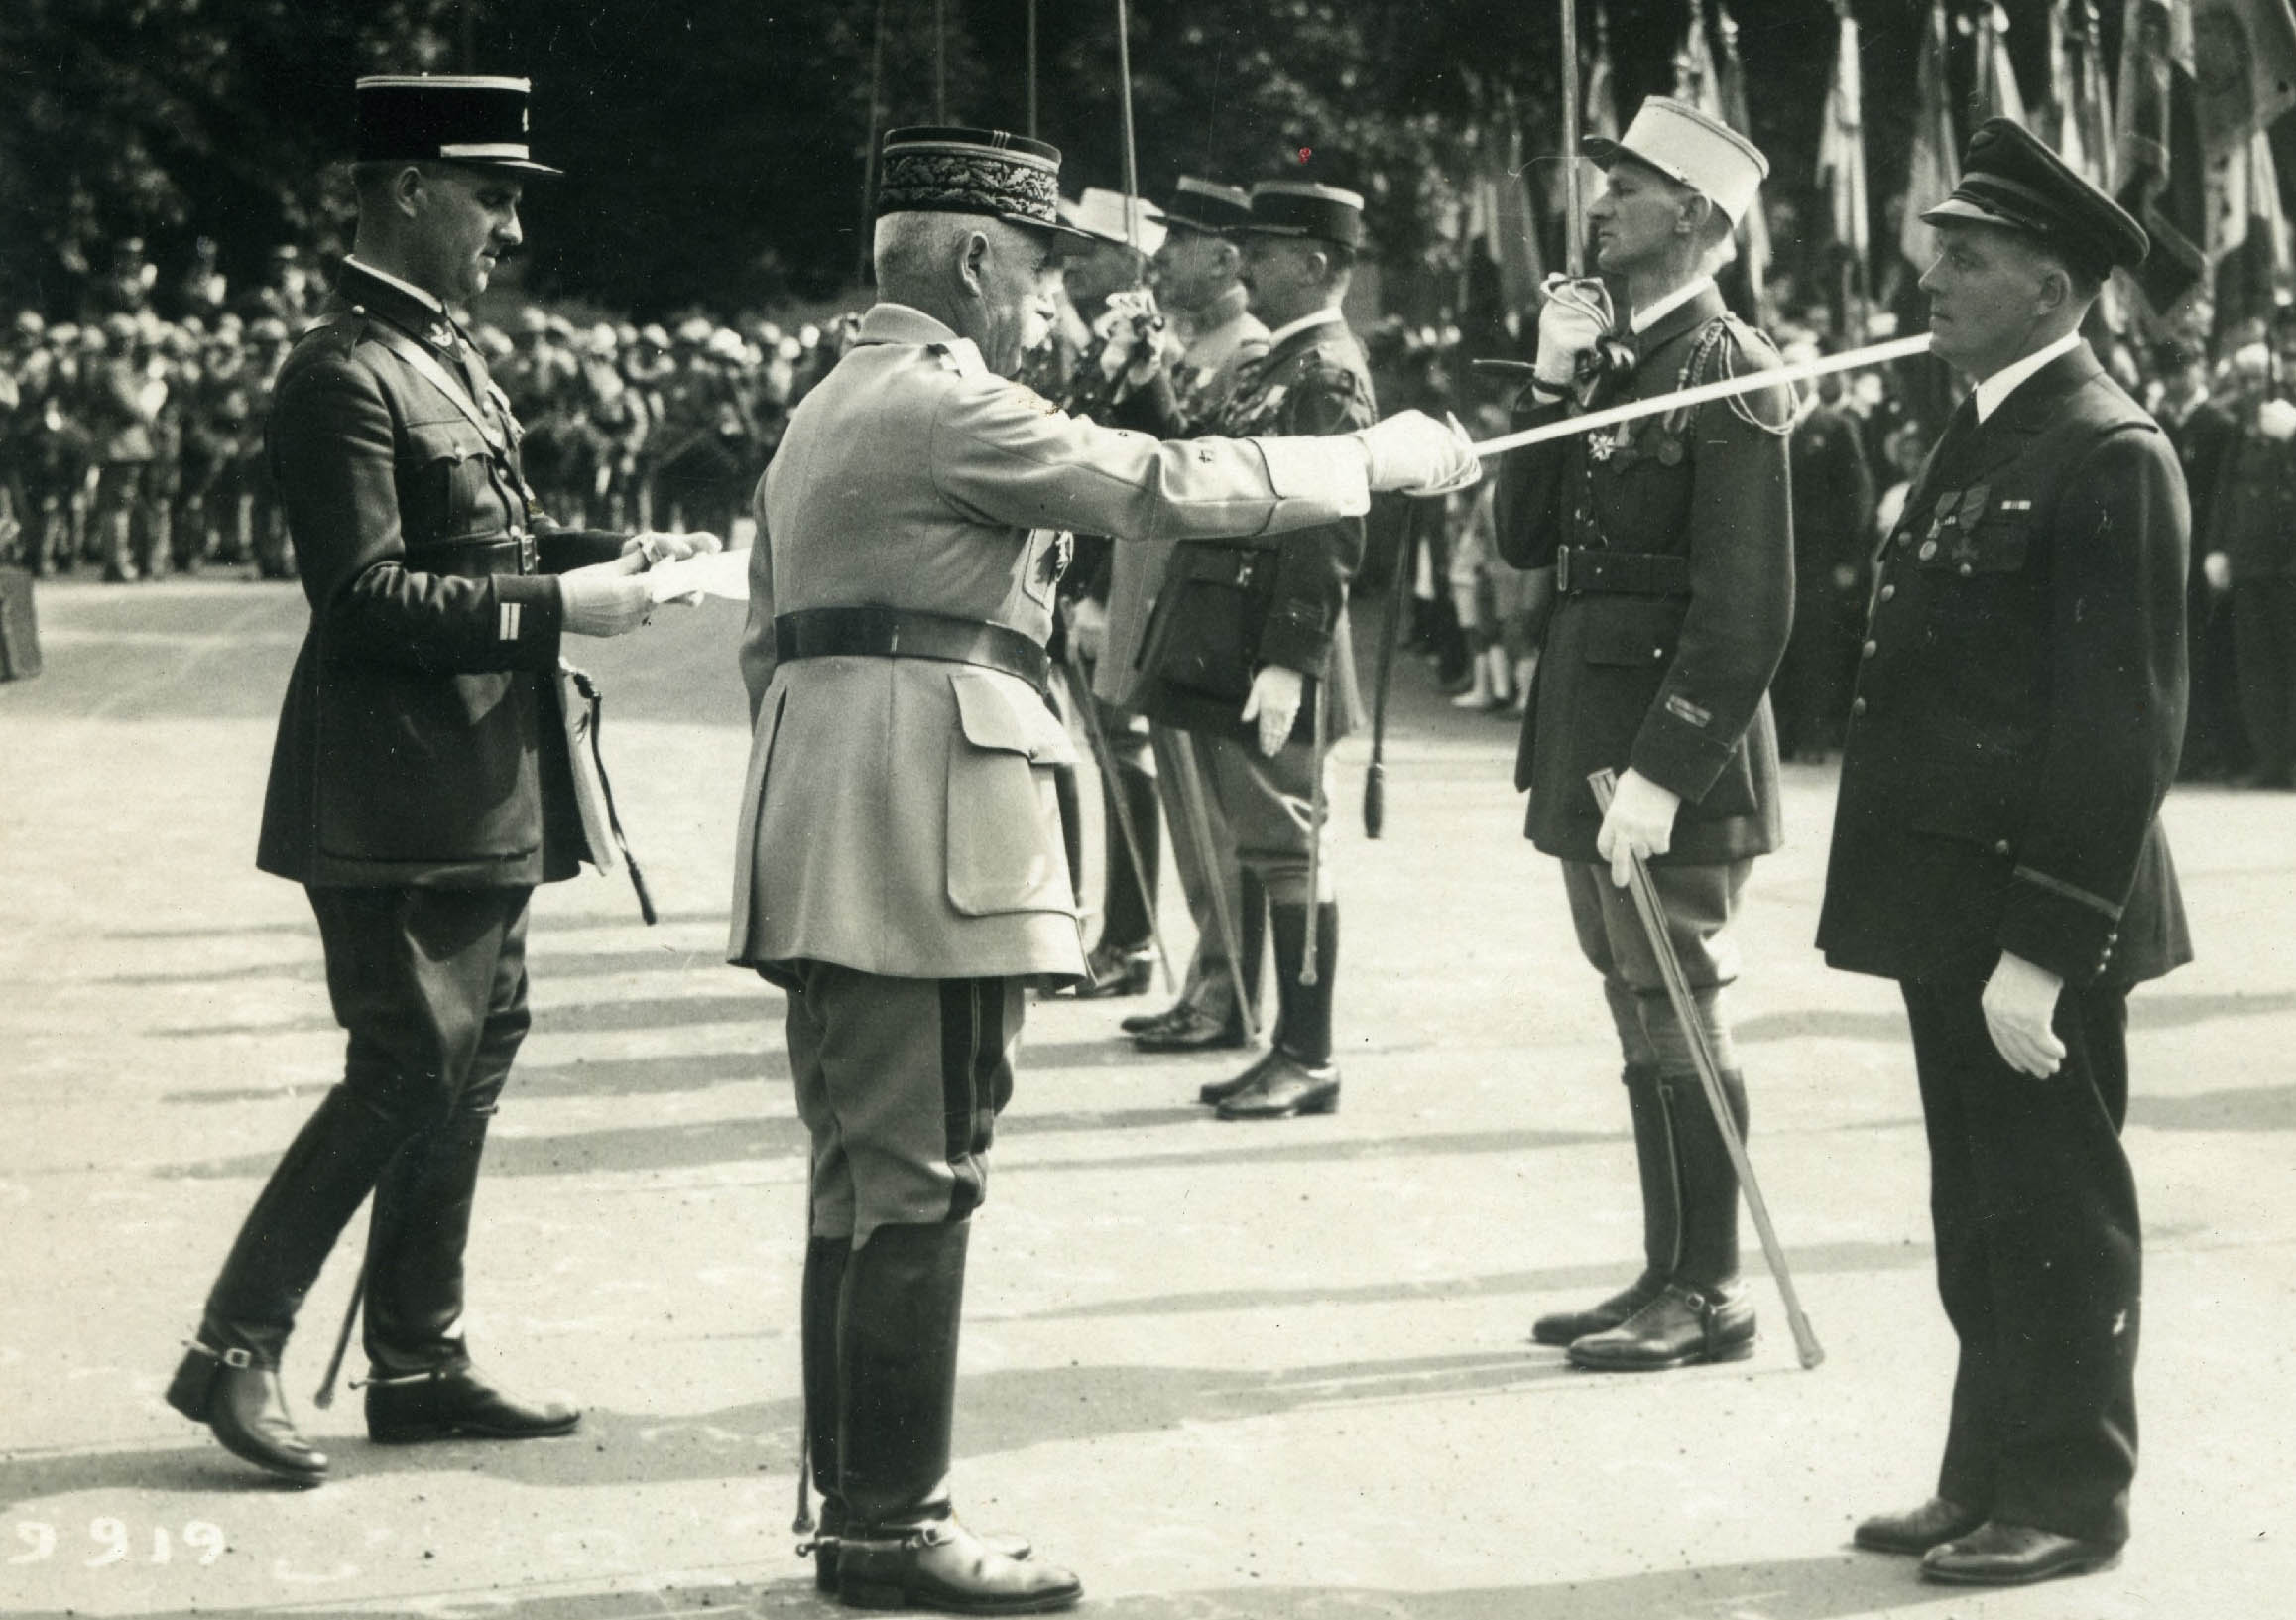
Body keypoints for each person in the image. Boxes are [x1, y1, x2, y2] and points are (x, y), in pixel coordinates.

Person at [729, 124, 1474, 1614]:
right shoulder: (941, 398)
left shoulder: (835, 398)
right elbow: (1149, 481)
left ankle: (854, 1501)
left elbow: (761, 639)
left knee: (864, 1176)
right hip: (915, 832)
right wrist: (1364, 466)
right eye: (1039, 274)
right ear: (972, 260)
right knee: (920, 1173)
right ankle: (891, 1523)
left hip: (838, 820)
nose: (1047, 308)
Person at [163, 73, 718, 1488]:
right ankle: (234, 1348)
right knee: (408, 1060)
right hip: (395, 787)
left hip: (482, 778)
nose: (508, 228)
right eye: (491, 194)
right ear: (407, 188)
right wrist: (556, 611)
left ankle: (416, 1357)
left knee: (474, 1057)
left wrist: (615, 555)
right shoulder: (339, 369)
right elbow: (358, 597)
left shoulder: (438, 355)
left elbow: (485, 541)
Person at [1818, 120, 2189, 1586]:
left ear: (2050, 286)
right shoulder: (1979, 425)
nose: (1931, 282)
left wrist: (2040, 945)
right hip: (1945, 898)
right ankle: (1983, 1470)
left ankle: (2067, 1494)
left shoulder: (2105, 449)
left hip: (2036, 912)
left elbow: (2118, 731)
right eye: (1935, 256)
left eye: (1962, 261)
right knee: (1975, 1207)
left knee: (2052, 1209)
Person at [1494, 96, 1793, 1370]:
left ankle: (1713, 1287)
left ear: (1696, 215)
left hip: (1668, 748)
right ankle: (1667, 1266)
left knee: (1681, 998)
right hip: (1586, 726)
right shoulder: (1621, 355)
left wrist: (1667, 771)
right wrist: (1553, 376)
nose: (1599, 201)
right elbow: (1518, 538)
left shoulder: (1731, 368)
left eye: (1625, 184)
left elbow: (1746, 607)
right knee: (1634, 1001)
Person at [1129, 180, 1383, 1119]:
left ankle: (1308, 1051)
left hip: (1278, 639)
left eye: (1266, 253)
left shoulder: (1326, 371)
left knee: (1288, 847)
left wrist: (1290, 657)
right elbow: (1208, 468)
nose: (1248, 265)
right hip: (1239, 633)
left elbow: (1329, 526)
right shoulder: (1279, 365)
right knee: (1266, 841)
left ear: (1315, 265)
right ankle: (1286, 1041)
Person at [1108, 178, 1276, 1049]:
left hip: (1200, 616)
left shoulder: (1245, 350)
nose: (1161, 256)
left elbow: (1201, 469)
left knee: (1217, 821)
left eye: (1179, 241)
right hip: (1158, 603)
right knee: (1186, 809)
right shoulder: (1185, 346)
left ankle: (1227, 992)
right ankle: (1210, 979)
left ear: (1224, 255)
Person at [2203, 347, 2296, 788]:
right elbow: (2227, 490)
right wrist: (2218, 548)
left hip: (2289, 564)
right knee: (2257, 667)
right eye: (2243, 380)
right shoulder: (2246, 427)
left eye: (2253, 379)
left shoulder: (2287, 421)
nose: (2247, 389)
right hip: (2251, 562)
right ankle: (2271, 759)